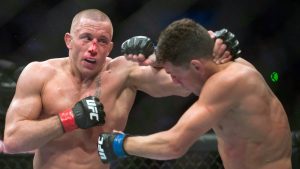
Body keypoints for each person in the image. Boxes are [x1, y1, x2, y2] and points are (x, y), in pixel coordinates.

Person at [3, 9, 237, 169]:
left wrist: (209, 47)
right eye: (86, 38)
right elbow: (13, 141)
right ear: (68, 40)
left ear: (110, 47)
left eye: (102, 41)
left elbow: (182, 84)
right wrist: (68, 119)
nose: (93, 48)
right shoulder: (39, 74)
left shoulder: (125, 72)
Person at [98, 18, 292, 169]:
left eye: (175, 75)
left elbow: (173, 145)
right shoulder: (214, 67)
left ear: (196, 66)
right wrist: (153, 57)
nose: (173, 82)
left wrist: (118, 143)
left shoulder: (230, 81)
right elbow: (194, 41)